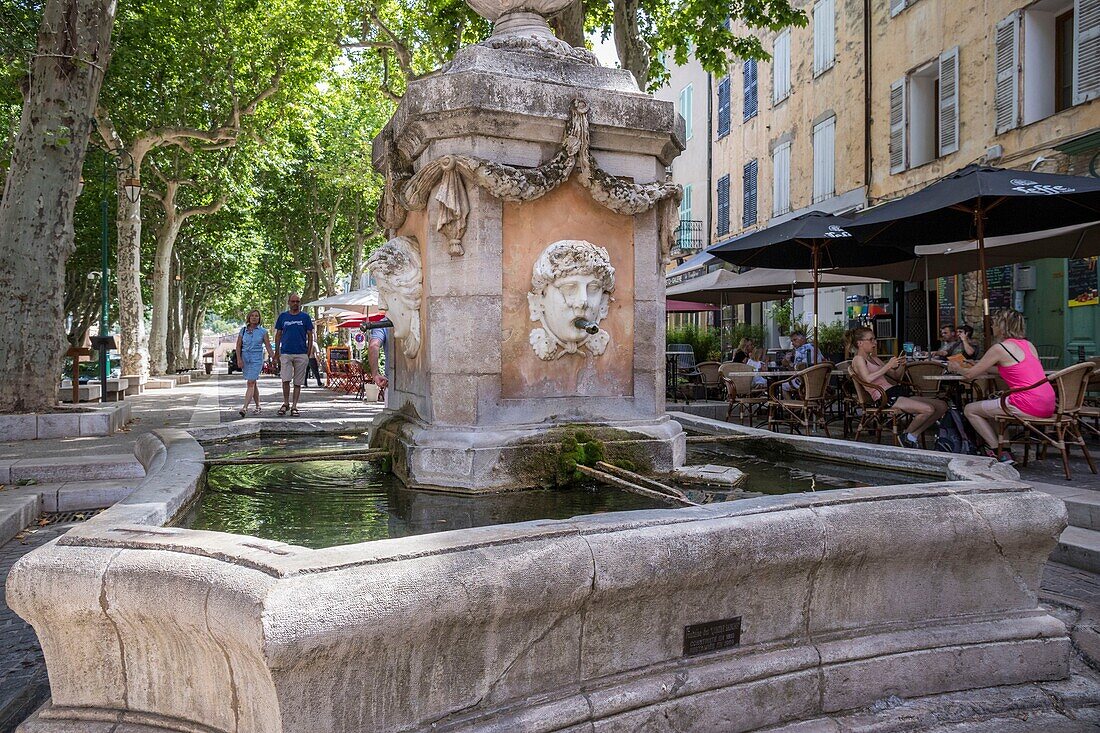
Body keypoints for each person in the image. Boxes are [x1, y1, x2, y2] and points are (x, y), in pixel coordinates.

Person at [949, 309, 1055, 464]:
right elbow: (1009, 368)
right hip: (1048, 403)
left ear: (1001, 326)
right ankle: (1005, 449)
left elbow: (969, 375)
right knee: (993, 407)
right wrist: (980, 364)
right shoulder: (1029, 345)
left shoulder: (1000, 348)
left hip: (1026, 403)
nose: (992, 327)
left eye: (994, 323)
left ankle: (998, 451)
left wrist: (956, 368)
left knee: (970, 410)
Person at [847, 326, 948, 449]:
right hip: (884, 397)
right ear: (860, 343)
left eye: (874, 339)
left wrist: (901, 366)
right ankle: (906, 436)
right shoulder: (858, 359)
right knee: (928, 410)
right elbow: (867, 378)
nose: (875, 342)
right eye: (871, 339)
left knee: (942, 406)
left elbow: (895, 376)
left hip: (894, 391)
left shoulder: (874, 359)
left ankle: (911, 436)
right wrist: (888, 365)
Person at [273, 293, 315, 416]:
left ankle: (295, 406)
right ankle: (286, 403)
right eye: (293, 301)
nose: (295, 303)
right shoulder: (283, 317)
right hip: (286, 352)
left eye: (298, 301)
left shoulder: (305, 317)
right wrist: (277, 352)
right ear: (289, 303)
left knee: (298, 382)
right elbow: (278, 334)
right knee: (285, 379)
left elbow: (310, 335)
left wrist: (308, 352)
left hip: (301, 353)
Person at [234, 309, 273, 418]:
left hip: (257, 358)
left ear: (259, 318)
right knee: (253, 382)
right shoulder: (243, 330)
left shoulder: (263, 332)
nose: (254, 317)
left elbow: (268, 346)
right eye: (252, 316)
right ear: (249, 318)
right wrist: (239, 359)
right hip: (245, 358)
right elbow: (238, 346)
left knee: (251, 382)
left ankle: (245, 408)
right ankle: (258, 406)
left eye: (256, 316)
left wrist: (274, 357)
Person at [367, 318, 390, 403]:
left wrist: (375, 374)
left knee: (393, 415)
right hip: (423, 382)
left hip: (392, 383)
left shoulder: (383, 323)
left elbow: (373, 345)